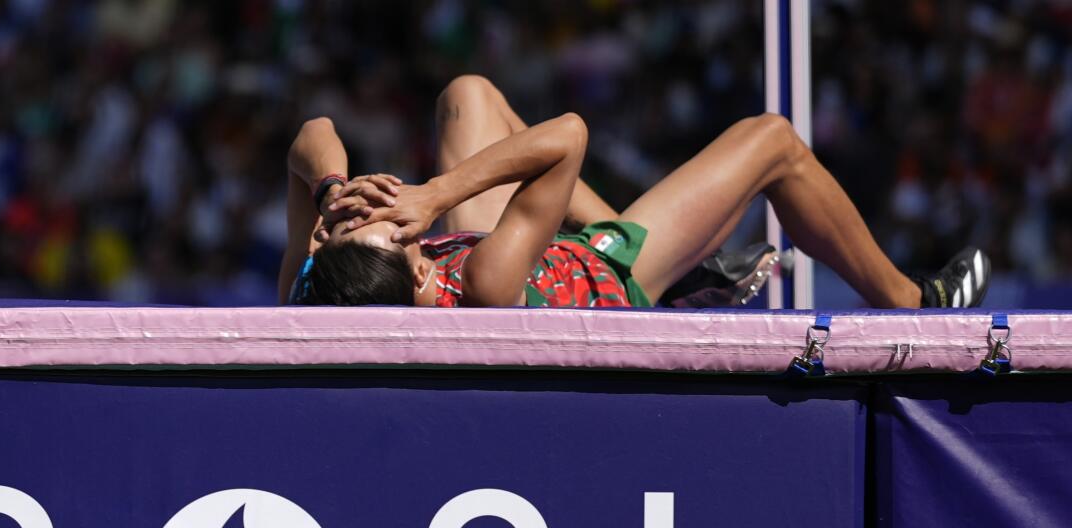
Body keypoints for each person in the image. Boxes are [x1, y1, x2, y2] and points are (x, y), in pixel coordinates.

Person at [279, 75, 989, 310]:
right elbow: (568, 136)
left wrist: (332, 192)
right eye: (386, 227)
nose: (382, 210)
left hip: (536, 252)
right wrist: (435, 194)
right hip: (609, 275)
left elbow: (308, 139)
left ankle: (691, 277)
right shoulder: (486, 285)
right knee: (773, 141)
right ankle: (912, 301)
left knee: (469, 94)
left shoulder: (315, 294)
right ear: (425, 267)